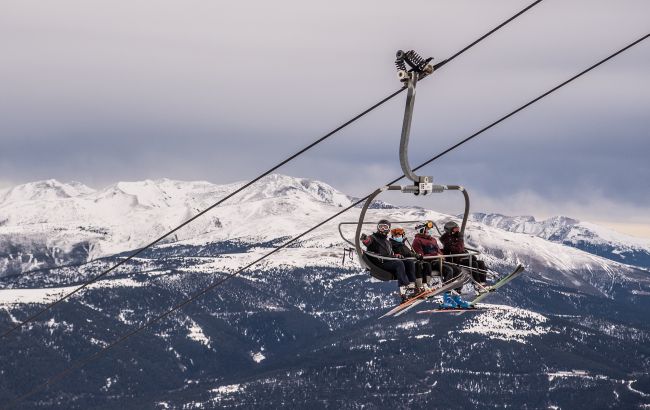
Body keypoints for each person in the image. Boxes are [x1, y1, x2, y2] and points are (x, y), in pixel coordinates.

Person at [361, 219, 417, 302]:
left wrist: (395, 255)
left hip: (387, 261)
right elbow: (368, 241)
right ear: (378, 227)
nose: (382, 229)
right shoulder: (374, 237)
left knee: (409, 262)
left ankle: (412, 285)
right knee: (399, 263)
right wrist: (365, 239)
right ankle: (404, 287)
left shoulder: (387, 242)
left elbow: (389, 254)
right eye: (381, 227)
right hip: (380, 263)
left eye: (385, 227)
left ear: (388, 229)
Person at [440, 220, 488, 308]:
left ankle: (483, 282)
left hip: (461, 257)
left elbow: (461, 249)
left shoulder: (456, 238)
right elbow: (457, 250)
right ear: (450, 231)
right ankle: (477, 286)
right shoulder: (447, 240)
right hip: (455, 259)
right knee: (474, 264)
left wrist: (459, 241)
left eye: (458, 229)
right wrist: (459, 241)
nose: (457, 231)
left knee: (480, 263)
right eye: (455, 229)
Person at [412, 220, 456, 288]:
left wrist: (442, 255)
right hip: (431, 262)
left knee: (457, 269)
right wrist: (436, 255)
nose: (429, 231)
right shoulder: (417, 241)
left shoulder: (433, 239)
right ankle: (447, 290)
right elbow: (420, 256)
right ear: (421, 230)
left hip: (439, 260)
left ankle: (457, 289)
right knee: (449, 270)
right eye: (427, 229)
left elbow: (438, 250)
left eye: (429, 229)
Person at [389, 227, 425, 294]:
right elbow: (405, 253)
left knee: (418, 264)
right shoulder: (392, 244)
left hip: (406, 259)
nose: (398, 237)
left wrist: (416, 255)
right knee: (410, 263)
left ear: (402, 236)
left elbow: (408, 252)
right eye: (396, 236)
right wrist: (415, 255)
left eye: (399, 235)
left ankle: (419, 285)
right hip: (400, 261)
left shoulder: (402, 244)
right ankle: (408, 286)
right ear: (393, 237)